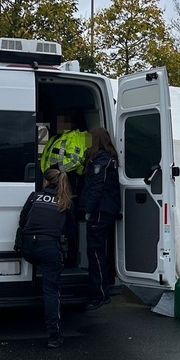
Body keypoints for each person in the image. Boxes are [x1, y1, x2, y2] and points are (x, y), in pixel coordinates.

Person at [15, 168, 76, 348]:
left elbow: (22, 220)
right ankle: (54, 335)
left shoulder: (34, 197)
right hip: (48, 248)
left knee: (43, 264)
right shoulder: (65, 202)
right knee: (51, 289)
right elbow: (71, 232)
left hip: (27, 248)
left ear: (46, 183)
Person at [80, 127, 121, 310]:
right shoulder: (105, 159)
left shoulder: (101, 161)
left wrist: (88, 210)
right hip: (105, 209)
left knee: (95, 251)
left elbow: (97, 187)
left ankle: (99, 294)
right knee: (100, 251)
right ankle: (101, 289)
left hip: (100, 210)